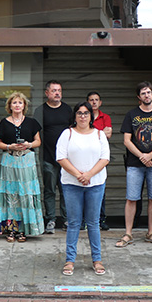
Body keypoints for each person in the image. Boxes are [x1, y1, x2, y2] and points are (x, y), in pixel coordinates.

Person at [56, 101, 110, 276]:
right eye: (79, 113)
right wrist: (79, 175)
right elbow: (61, 157)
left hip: (95, 184)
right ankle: (70, 260)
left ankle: (97, 260)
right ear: (75, 116)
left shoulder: (100, 135)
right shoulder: (67, 134)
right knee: (73, 223)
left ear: (91, 116)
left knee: (93, 223)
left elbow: (105, 159)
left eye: (86, 113)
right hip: (72, 184)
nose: (83, 116)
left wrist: (89, 175)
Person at [116, 81, 152, 248]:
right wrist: (142, 157)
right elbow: (126, 140)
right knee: (131, 198)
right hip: (134, 163)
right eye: (143, 93)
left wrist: (151, 154)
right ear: (139, 97)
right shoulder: (131, 115)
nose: (147, 95)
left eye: (149, 92)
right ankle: (128, 233)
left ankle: (151, 232)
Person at [0, 92, 44, 241]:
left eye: (20, 103)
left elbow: (38, 142)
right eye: (14, 103)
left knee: (26, 194)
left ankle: (24, 229)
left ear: (24, 106)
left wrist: (28, 144)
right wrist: (10, 146)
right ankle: (11, 229)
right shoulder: (4, 122)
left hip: (27, 160)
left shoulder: (32, 122)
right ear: (9, 106)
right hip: (9, 160)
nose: (17, 105)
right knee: (11, 195)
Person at [33, 80, 73, 233]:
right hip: (47, 157)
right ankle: (50, 219)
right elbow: (36, 134)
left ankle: (66, 219)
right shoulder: (40, 110)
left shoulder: (67, 110)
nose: (57, 93)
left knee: (66, 189)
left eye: (59, 91)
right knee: (49, 190)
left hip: (66, 159)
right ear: (47, 93)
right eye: (54, 90)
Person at [87, 90, 112, 231]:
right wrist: (100, 132)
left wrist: (92, 133)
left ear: (100, 102)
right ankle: (86, 220)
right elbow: (103, 133)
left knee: (100, 189)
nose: (94, 102)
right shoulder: (84, 117)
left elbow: (108, 134)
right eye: (91, 100)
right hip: (85, 158)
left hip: (101, 158)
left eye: (96, 99)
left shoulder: (105, 117)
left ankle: (101, 219)